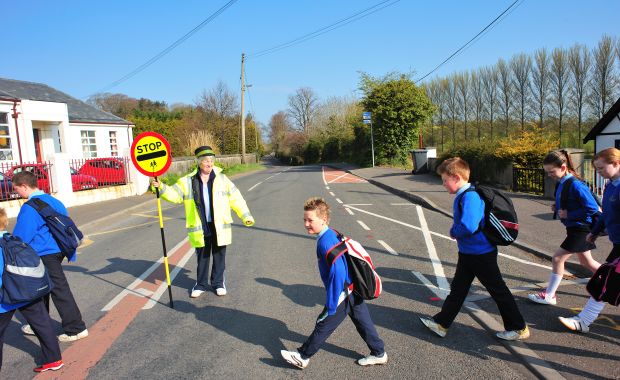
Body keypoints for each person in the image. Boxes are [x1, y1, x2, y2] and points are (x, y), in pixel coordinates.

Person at [419, 157, 530, 341]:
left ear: (456, 177)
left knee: (497, 290)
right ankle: (441, 324)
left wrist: (454, 231)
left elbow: (469, 226)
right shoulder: (465, 194)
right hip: (470, 253)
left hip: (480, 253)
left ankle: (518, 327)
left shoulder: (470, 196)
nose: (444, 184)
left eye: (445, 180)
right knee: (458, 290)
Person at [280, 197, 387, 369]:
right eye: (304, 220)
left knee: (325, 322)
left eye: (310, 220)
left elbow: (338, 272)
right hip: (353, 288)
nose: (306, 224)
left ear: (323, 220)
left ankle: (303, 356)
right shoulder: (331, 233)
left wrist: (332, 301)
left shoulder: (325, 242)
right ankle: (378, 352)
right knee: (363, 321)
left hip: (343, 291)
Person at [152, 146, 254, 298]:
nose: (209, 163)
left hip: (219, 224)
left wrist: (246, 215)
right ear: (199, 162)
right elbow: (175, 195)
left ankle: (218, 283)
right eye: (206, 160)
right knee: (203, 257)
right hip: (200, 226)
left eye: (212, 160)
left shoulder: (222, 179)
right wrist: (160, 187)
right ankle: (200, 284)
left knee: (219, 255)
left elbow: (236, 198)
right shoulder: (188, 181)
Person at [12, 171, 88, 342]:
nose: (17, 194)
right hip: (59, 249)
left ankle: (76, 328)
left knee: (57, 289)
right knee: (42, 289)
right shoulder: (54, 200)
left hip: (44, 252)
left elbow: (22, 235)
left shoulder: (30, 207)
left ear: (24, 186)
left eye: (17, 189)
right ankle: (39, 323)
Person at [528, 150, 601, 305]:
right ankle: (612, 282)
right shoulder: (563, 182)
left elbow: (593, 208)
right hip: (575, 228)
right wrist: (557, 206)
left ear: (563, 167)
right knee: (586, 262)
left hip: (581, 228)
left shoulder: (575, 184)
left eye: (552, 171)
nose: (550, 175)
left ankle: (550, 295)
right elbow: (570, 202)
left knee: (557, 258)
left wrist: (569, 214)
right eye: (547, 172)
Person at [559, 147, 620, 333]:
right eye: (597, 169)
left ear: (616, 164)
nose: (599, 173)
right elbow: (605, 213)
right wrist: (595, 231)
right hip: (617, 242)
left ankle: (583, 321)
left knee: (604, 281)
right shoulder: (611, 185)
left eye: (601, 168)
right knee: (608, 281)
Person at [0, 208, 64, 373]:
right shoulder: (13, 239)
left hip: (6, 297)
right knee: (42, 323)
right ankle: (54, 359)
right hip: (28, 290)